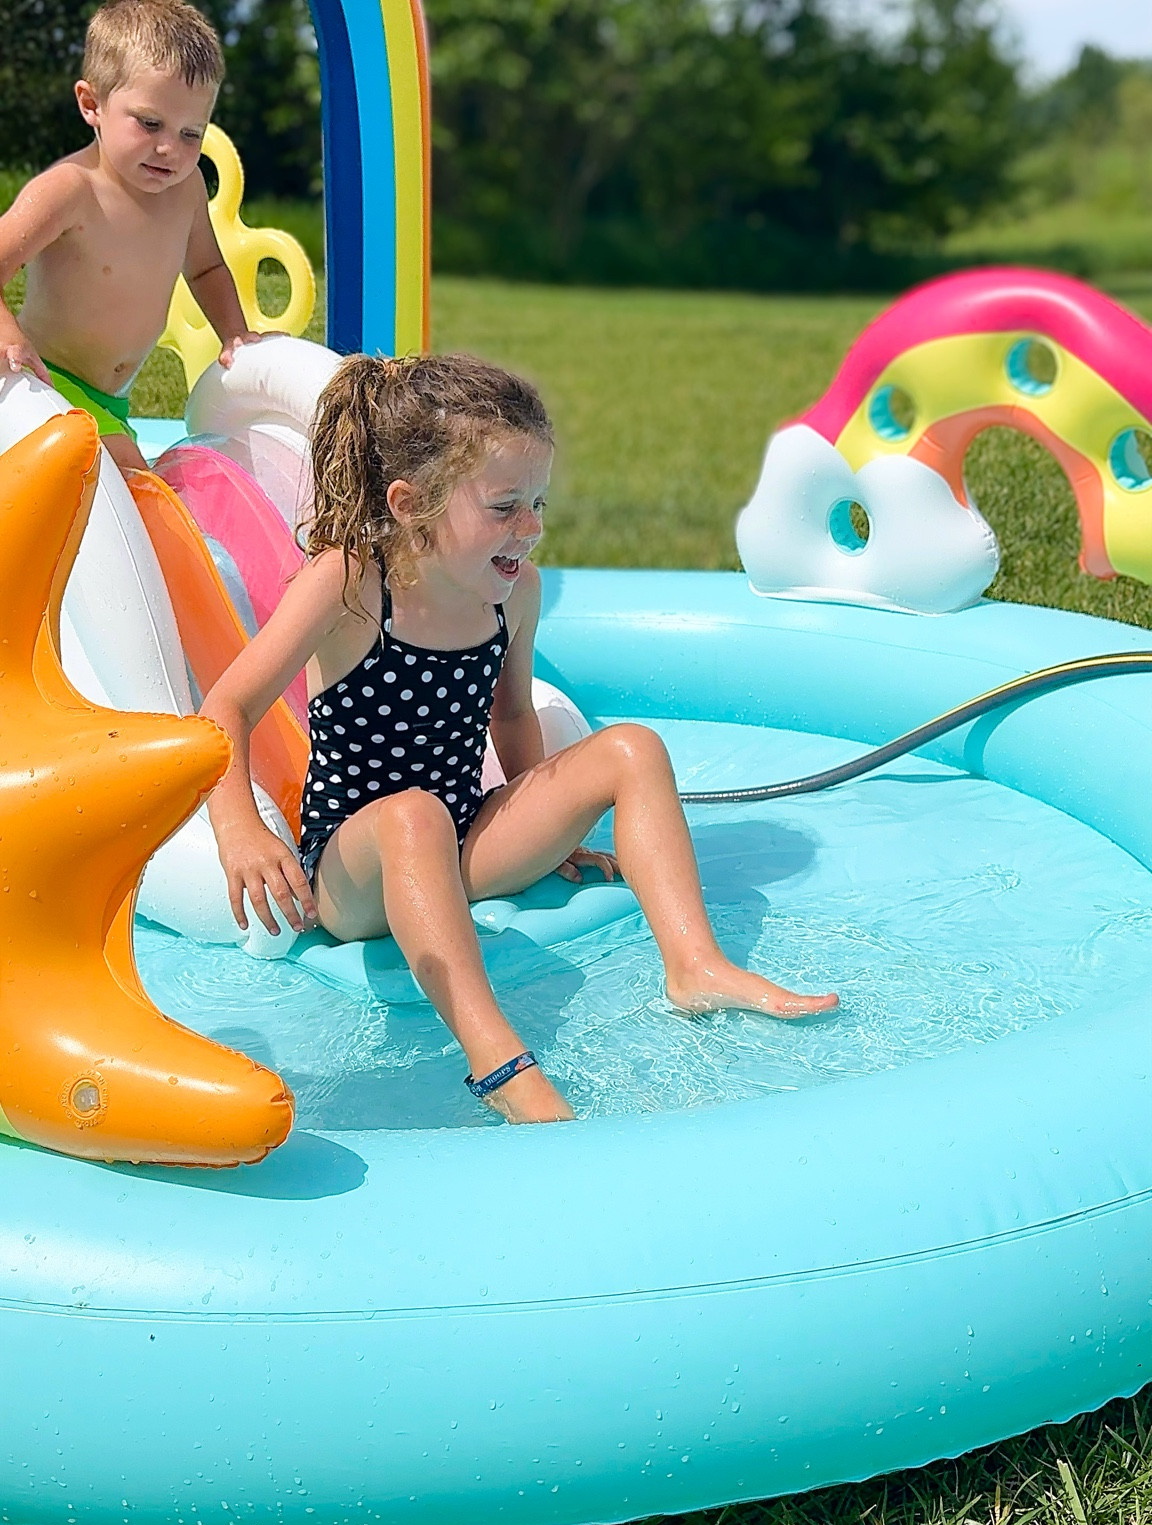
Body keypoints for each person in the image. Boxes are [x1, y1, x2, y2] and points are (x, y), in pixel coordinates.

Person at [201, 353, 839, 1125]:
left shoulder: (513, 593)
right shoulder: (350, 583)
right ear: (411, 504)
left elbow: (508, 717)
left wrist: (549, 830)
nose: (531, 529)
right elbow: (226, 706)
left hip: (463, 832)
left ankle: (696, 965)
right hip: (357, 868)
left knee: (632, 748)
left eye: (537, 502)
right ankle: (498, 1063)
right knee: (413, 816)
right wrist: (239, 830)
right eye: (505, 506)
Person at [0, 0, 261, 475]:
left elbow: (205, 268)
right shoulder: (71, 191)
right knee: (136, 488)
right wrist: (6, 331)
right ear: (91, 104)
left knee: (129, 492)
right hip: (42, 383)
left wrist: (236, 335)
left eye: (190, 133)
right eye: (150, 123)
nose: (170, 149)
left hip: (112, 400)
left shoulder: (186, 191)